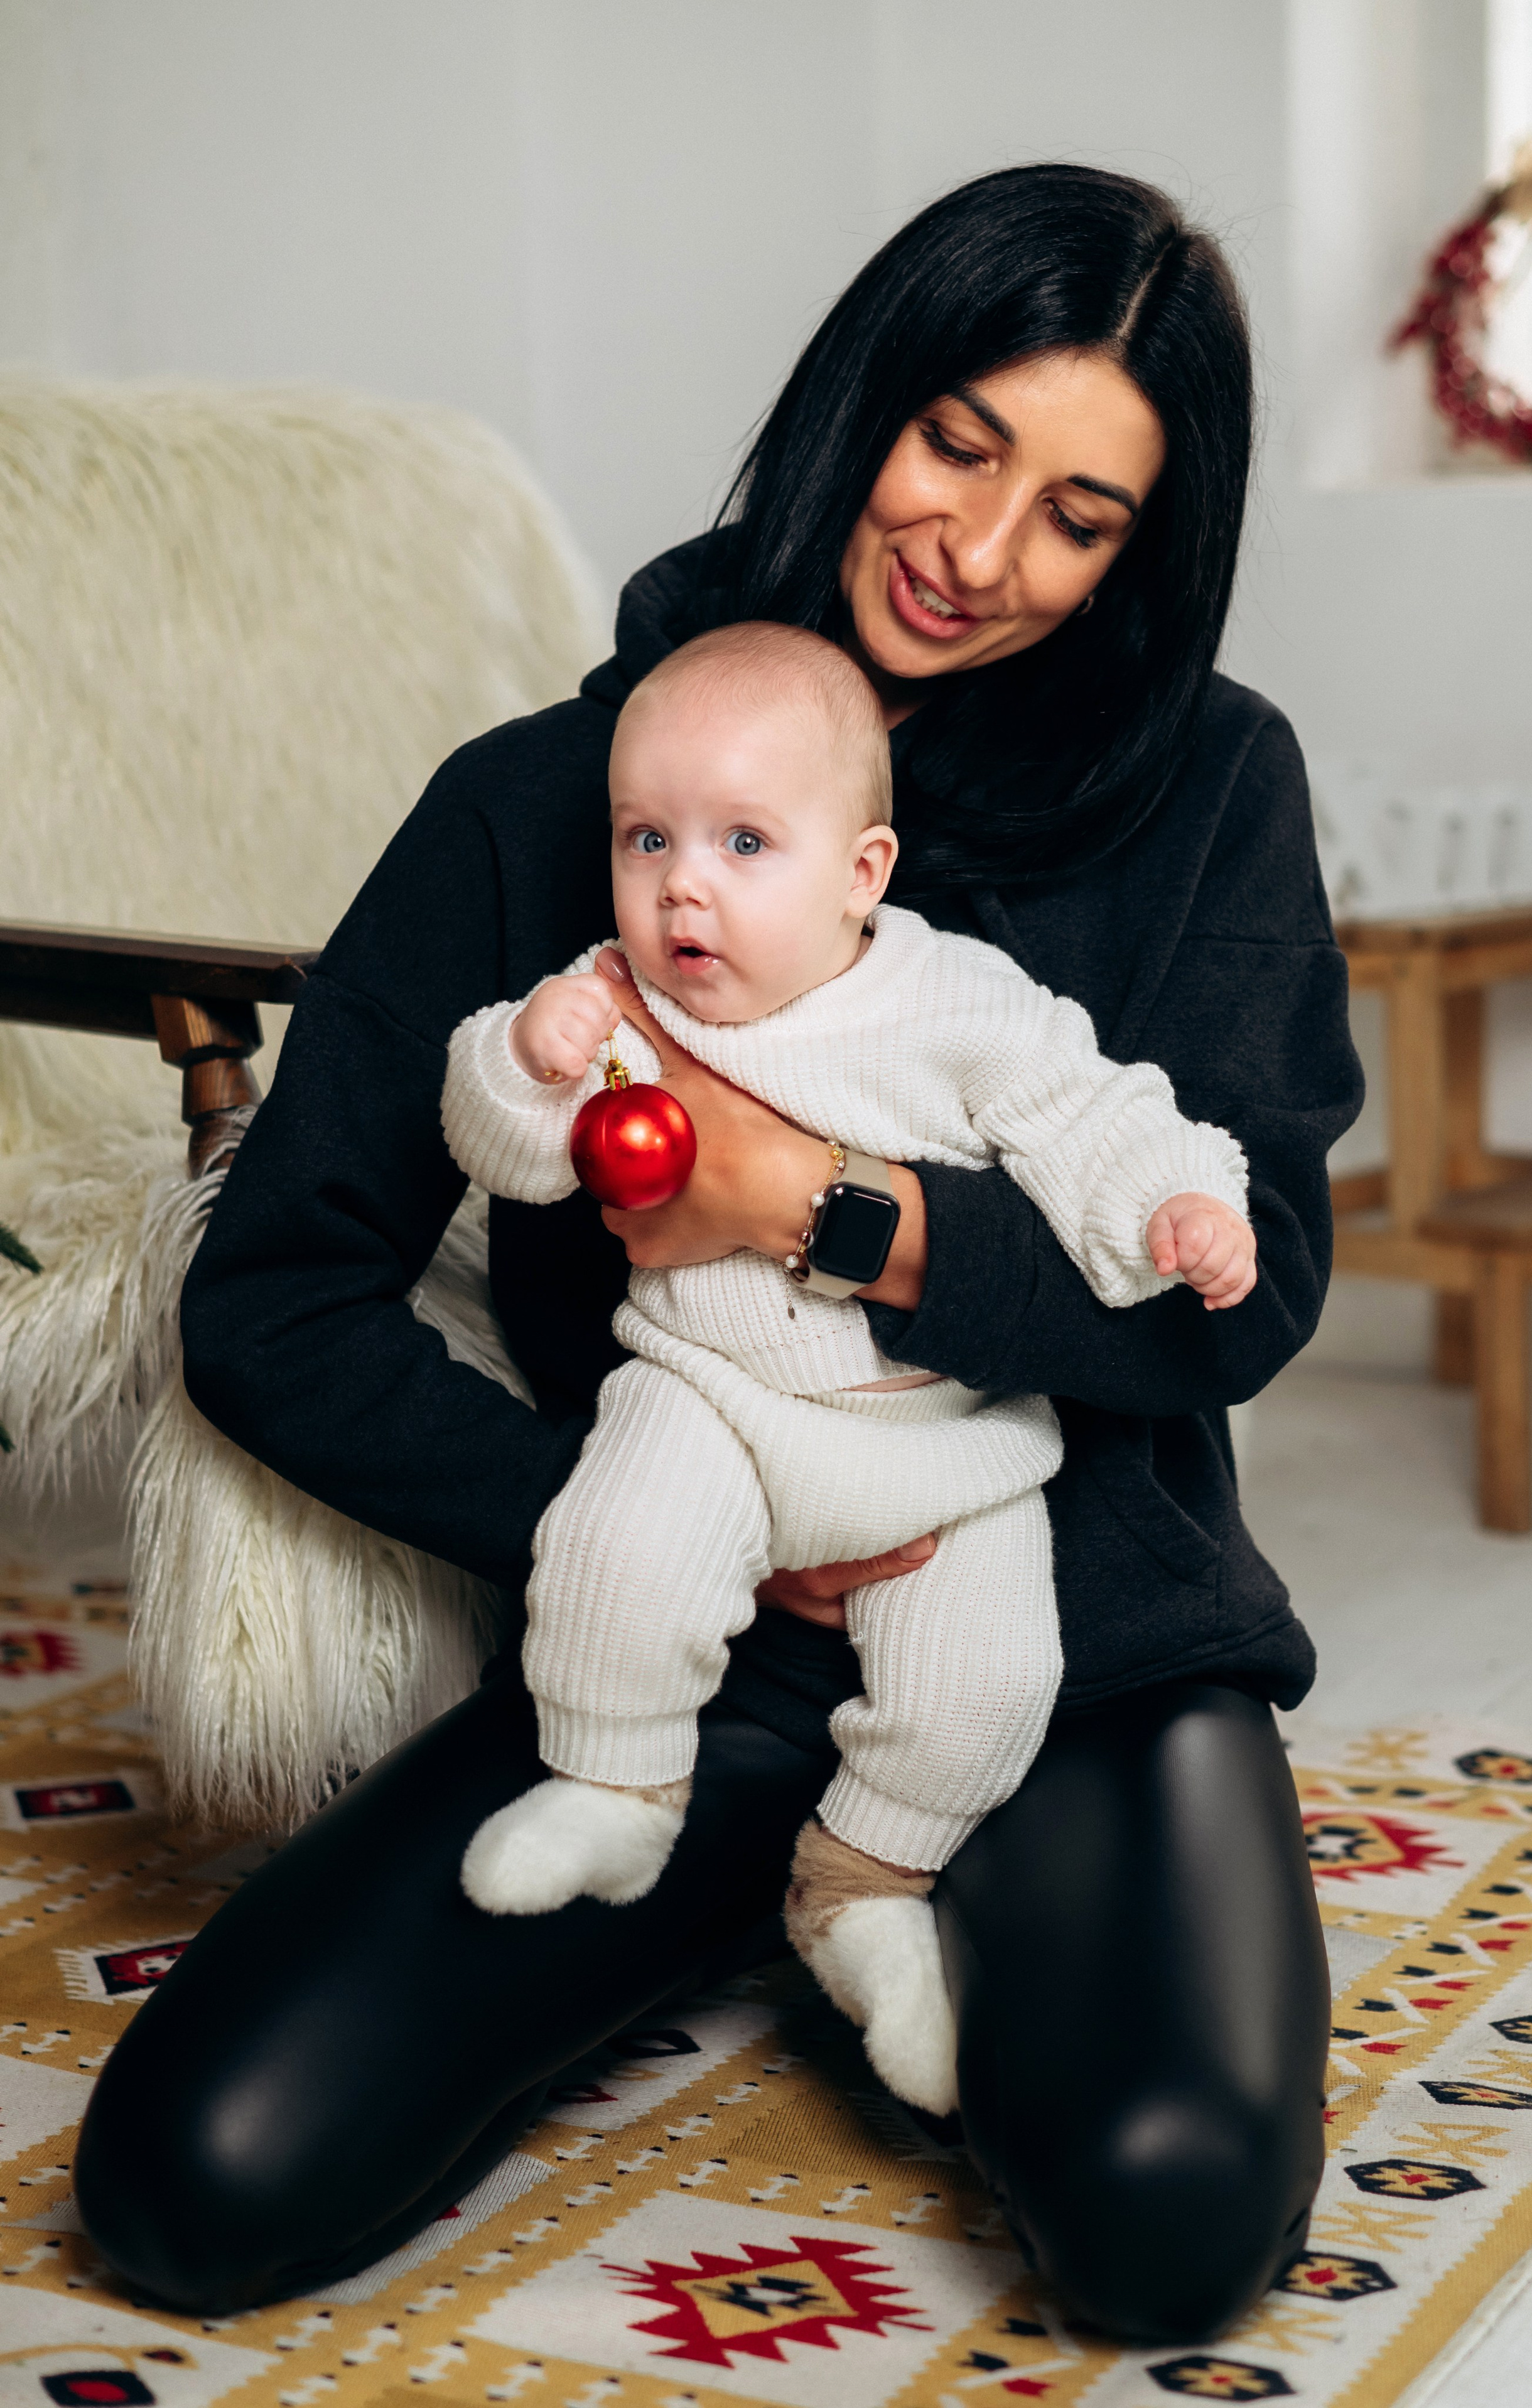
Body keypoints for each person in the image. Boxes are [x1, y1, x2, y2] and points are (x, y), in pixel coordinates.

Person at [75, 163, 1361, 2342]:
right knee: (194, 2188)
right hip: (662, 1645)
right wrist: (624, 1524)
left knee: (1165, 2226)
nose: (980, 547)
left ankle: (900, 1875)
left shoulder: (1209, 785)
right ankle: (774, 1882)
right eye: (959, 440)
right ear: (865, 389)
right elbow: (274, 1292)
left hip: (1079, 1637)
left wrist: (823, 1213)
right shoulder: (550, 795)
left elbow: (1259, 1285)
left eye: (1081, 513)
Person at [441, 619, 1256, 2119]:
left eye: (744, 841)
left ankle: (866, 1886)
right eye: (646, 838)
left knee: (988, 1676)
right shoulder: (621, 1002)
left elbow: (1089, 1116)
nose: (681, 882)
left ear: (861, 872)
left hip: (935, 1437)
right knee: (614, 1549)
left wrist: (1174, 1207)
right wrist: (523, 1058)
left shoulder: (956, 1000)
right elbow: (508, 1159)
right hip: (716, 1402)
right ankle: (615, 1786)